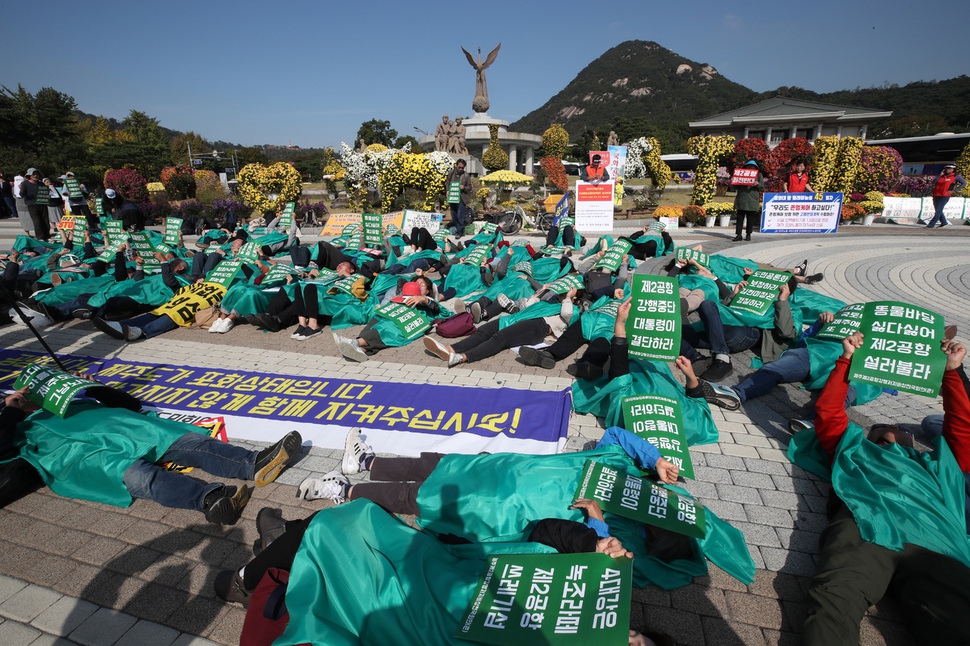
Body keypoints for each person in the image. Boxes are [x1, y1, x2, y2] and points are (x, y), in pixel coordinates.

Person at [213, 500, 670, 646]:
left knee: (339, 537)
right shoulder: (588, 595)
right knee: (356, 519)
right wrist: (594, 542)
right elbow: (542, 533)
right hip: (445, 566)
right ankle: (278, 548)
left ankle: (256, 571)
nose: (629, 642)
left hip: (426, 618)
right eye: (638, 639)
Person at [790, 333, 970, 645]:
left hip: (937, 542)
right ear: (868, 437)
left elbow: (962, 430)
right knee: (832, 602)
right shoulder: (851, 451)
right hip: (869, 527)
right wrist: (847, 359)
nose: (891, 429)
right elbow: (830, 412)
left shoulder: (935, 465)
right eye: (878, 430)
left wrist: (952, 371)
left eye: (900, 430)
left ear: (911, 442)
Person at [0, 377, 303, 525]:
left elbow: (131, 405)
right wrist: (11, 411)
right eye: (22, 396)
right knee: (142, 478)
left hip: (133, 432)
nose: (28, 398)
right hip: (86, 458)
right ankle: (211, 500)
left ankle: (255, 464)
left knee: (191, 444)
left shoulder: (73, 401)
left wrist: (90, 389)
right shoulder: (15, 426)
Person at [926, 163, 967, 229]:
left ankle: (931, 224)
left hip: (945, 195)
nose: (947, 170)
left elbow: (964, 183)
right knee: (938, 210)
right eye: (946, 168)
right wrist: (940, 175)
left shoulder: (956, 176)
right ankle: (944, 222)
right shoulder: (942, 175)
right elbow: (934, 182)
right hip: (936, 194)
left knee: (938, 211)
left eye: (949, 168)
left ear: (952, 169)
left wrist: (955, 190)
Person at [732, 160, 764, 242]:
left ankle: (748, 234)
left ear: (755, 168)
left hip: (752, 200)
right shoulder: (741, 174)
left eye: (752, 167)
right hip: (742, 199)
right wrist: (734, 181)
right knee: (739, 219)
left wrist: (757, 184)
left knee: (750, 219)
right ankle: (738, 234)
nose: (750, 168)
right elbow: (736, 188)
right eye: (748, 166)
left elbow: (762, 185)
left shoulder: (759, 175)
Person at [20, 168, 50, 241]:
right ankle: (40, 237)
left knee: (45, 221)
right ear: (30, 176)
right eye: (33, 174)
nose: (35, 176)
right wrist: (21, 189)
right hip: (32, 205)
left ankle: (47, 236)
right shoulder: (25, 183)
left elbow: (45, 193)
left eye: (37, 174)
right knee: (37, 221)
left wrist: (48, 196)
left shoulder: (41, 184)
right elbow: (21, 195)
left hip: (42, 204)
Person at [445, 158, 472, 236]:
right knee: (454, 215)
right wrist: (447, 190)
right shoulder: (451, 172)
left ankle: (459, 232)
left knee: (460, 215)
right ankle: (459, 229)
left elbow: (470, 187)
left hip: (461, 197)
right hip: (452, 196)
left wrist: (464, 187)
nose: (460, 169)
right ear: (456, 165)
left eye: (462, 168)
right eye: (459, 167)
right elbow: (447, 182)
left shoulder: (466, 175)